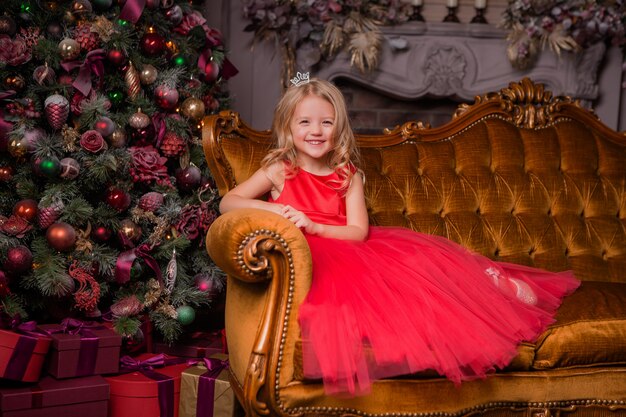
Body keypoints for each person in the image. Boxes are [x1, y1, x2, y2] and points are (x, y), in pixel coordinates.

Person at [218, 76, 580, 396]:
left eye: (326, 123)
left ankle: (495, 285)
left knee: (424, 265)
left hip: (348, 246)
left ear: (338, 128)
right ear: (287, 127)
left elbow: (358, 232)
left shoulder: (347, 174)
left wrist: (315, 226)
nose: (316, 131)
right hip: (308, 258)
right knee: (342, 309)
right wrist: (273, 210)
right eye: (306, 122)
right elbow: (228, 202)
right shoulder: (280, 170)